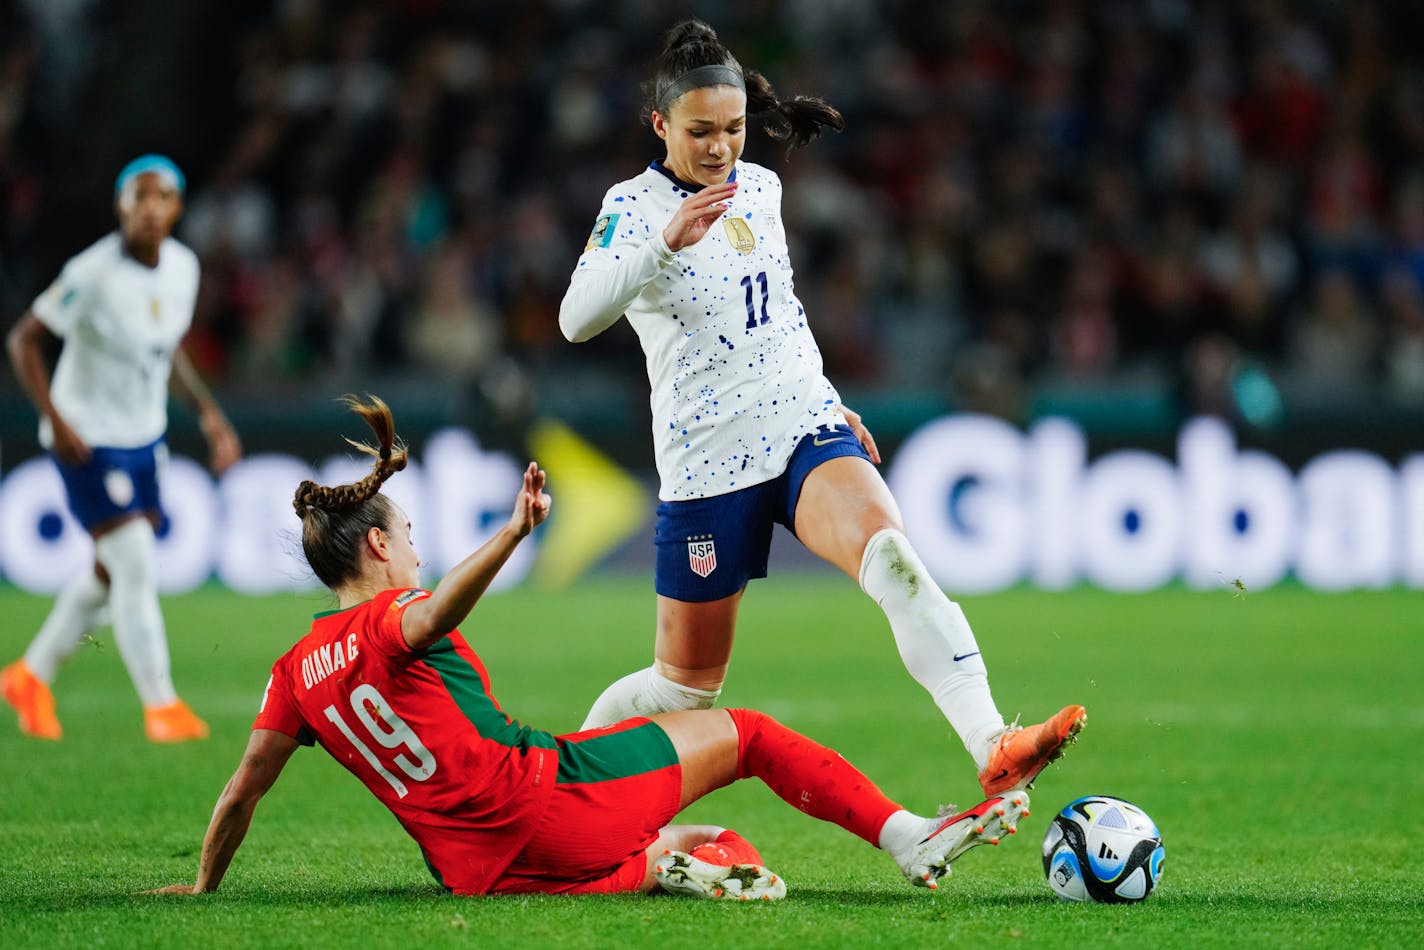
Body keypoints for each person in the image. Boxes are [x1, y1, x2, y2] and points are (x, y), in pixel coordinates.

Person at [149, 395, 1031, 900]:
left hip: (476, 873)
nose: (414, 546)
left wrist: (201, 890)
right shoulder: (393, 618)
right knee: (749, 736)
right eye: (408, 533)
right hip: (542, 803)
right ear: (378, 547)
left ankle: (661, 866)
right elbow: (429, 617)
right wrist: (511, 534)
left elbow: (240, 794)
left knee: (694, 830)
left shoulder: (294, 674)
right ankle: (910, 838)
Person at [558, 21, 1084, 798]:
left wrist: (828, 400)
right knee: (684, 690)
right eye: (699, 131)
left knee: (896, 561)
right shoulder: (632, 208)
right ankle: (567, 785)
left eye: (733, 129)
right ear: (660, 124)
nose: (719, 148)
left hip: (800, 426)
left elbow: (780, 312)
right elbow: (575, 319)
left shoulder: (761, 189)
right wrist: (664, 242)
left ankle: (992, 743)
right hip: (706, 463)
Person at [2, 154, 241, 742]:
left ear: (178, 207)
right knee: (135, 562)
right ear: (121, 206)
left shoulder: (183, 268)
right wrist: (55, 419)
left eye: (163, 198)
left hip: (144, 438)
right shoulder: (92, 272)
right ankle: (161, 707)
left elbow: (167, 355)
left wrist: (209, 414)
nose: (151, 209)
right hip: (87, 439)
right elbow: (22, 340)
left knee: (111, 572)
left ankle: (29, 676)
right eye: (140, 198)